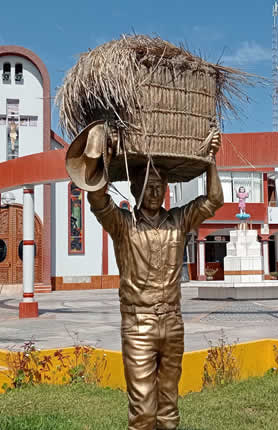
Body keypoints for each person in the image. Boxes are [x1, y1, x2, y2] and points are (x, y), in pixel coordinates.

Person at [87, 133, 224, 430]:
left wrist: (211, 159)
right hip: (139, 325)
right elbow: (97, 198)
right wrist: (101, 159)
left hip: (173, 323)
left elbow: (214, 200)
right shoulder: (124, 224)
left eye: (159, 187)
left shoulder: (178, 220)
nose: (154, 192)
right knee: (143, 409)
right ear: (136, 190)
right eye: (148, 186)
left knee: (169, 406)